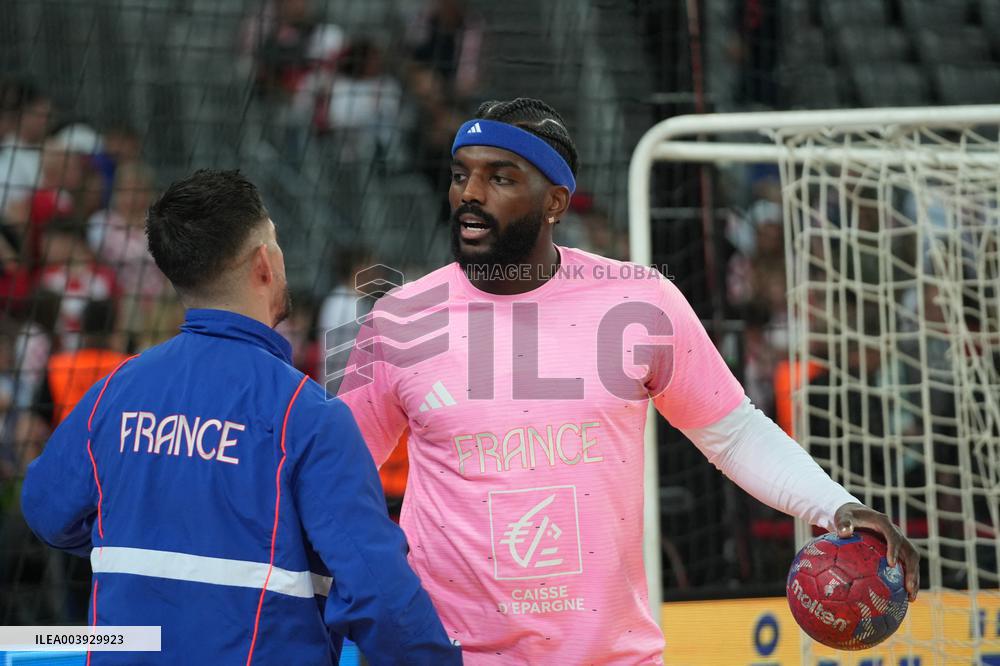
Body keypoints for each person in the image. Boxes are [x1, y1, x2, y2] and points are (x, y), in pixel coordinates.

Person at [337, 98, 921, 663]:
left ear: (555, 202)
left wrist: (836, 505)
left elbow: (734, 434)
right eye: (461, 175)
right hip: (448, 654)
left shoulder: (639, 301)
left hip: (612, 656)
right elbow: (337, 475)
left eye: (501, 178)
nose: (470, 193)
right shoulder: (400, 320)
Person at [21, 169, 460, 665]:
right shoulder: (307, 415)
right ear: (264, 262)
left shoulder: (117, 391)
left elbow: (45, 508)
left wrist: (143, 549)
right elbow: (379, 594)